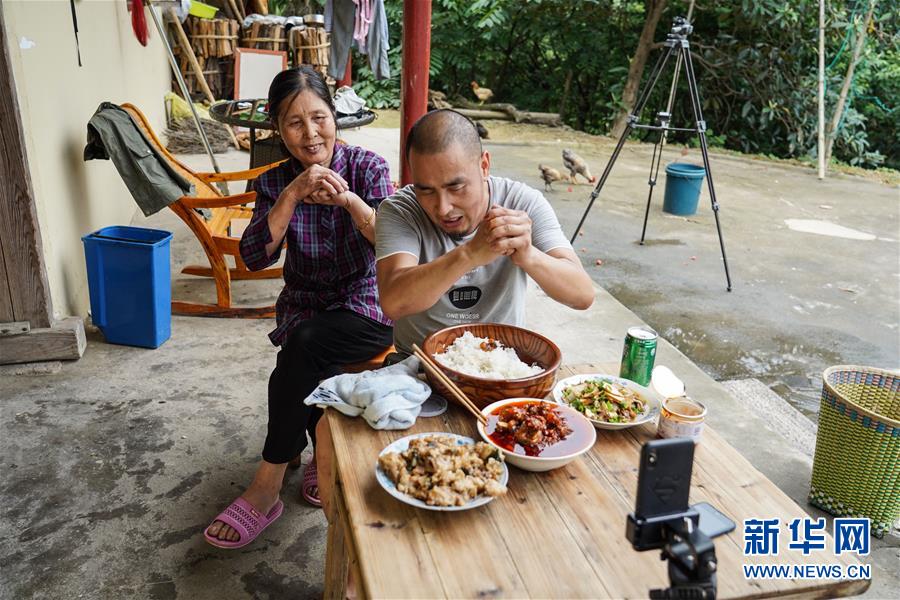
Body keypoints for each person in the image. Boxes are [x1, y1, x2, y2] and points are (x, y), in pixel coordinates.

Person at [314, 108, 595, 519]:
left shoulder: (522, 203)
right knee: (331, 433)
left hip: (508, 382)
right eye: (426, 189)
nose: (442, 206)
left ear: (484, 164)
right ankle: (352, 561)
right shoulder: (400, 210)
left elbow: (582, 294)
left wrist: (530, 256)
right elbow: (394, 300)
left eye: (455, 186)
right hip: (418, 372)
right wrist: (470, 253)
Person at [204, 66, 394, 548]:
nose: (311, 134)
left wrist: (349, 200)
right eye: (294, 123)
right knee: (308, 349)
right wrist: (291, 195)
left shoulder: (368, 167)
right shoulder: (275, 182)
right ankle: (316, 457)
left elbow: (393, 244)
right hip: (306, 303)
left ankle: (266, 485)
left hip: (367, 302)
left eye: (319, 118)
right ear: (277, 129)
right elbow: (251, 257)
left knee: (305, 347)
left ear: (335, 117)